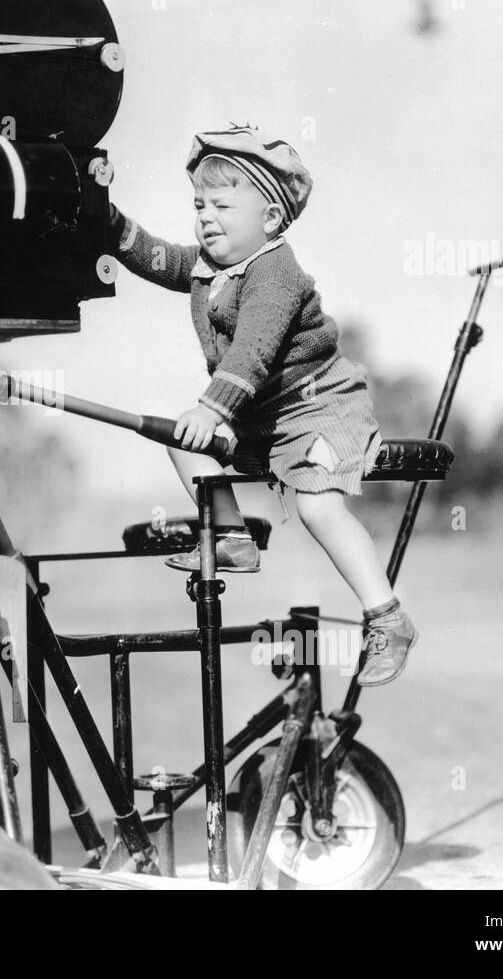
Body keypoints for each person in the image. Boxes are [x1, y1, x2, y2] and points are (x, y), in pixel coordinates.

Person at [107, 124, 415, 686]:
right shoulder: (211, 268)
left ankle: (387, 616)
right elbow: (158, 259)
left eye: (223, 204)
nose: (205, 216)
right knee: (181, 440)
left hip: (319, 404)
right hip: (263, 416)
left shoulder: (275, 273)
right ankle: (232, 538)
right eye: (199, 204)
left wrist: (214, 409)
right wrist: (109, 225)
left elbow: (251, 352)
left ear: (270, 218)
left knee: (318, 507)